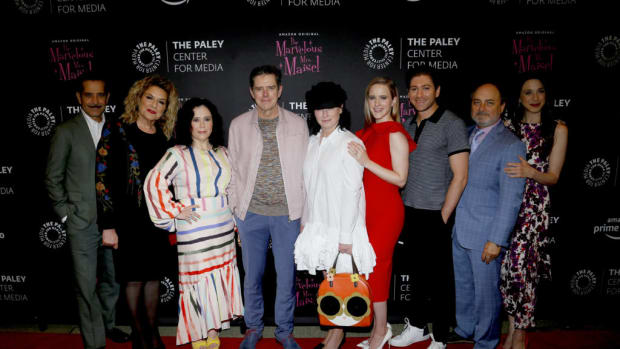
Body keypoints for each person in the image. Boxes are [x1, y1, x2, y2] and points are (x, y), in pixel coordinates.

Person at [145, 98, 244, 349]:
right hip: (195, 229)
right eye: (196, 119)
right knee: (197, 282)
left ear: (214, 122)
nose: (202, 124)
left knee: (218, 278)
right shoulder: (177, 153)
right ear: (187, 123)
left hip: (223, 229)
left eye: (207, 118)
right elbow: (153, 183)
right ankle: (197, 334)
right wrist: (175, 211)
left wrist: (237, 226)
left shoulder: (224, 152)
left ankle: (212, 330)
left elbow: (234, 190)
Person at [45, 71, 129, 349]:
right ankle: (95, 342)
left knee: (112, 279)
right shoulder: (65, 131)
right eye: (88, 95)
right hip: (81, 222)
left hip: (112, 222)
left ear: (107, 98)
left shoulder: (116, 129)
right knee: (85, 285)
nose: (94, 100)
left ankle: (107, 325)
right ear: (79, 97)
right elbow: (52, 177)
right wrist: (67, 213)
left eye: (100, 95)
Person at [227, 65, 309, 349]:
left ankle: (284, 331)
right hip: (251, 214)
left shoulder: (298, 124)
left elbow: (305, 174)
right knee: (253, 275)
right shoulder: (238, 125)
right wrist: (236, 211)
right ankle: (253, 328)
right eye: (259, 88)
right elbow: (234, 172)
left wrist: (304, 216)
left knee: (286, 278)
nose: (265, 93)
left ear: (280, 90)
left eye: (270, 87)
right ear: (252, 92)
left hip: (288, 215)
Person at [96, 75, 179, 349]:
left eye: (161, 102)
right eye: (150, 98)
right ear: (139, 98)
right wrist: (107, 224)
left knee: (153, 277)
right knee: (132, 280)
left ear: (167, 108)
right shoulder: (116, 129)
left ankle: (152, 334)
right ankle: (140, 338)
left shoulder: (166, 137)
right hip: (125, 220)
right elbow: (101, 178)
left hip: (155, 220)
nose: (154, 105)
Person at [390, 68, 469, 349]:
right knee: (417, 276)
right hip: (409, 212)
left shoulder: (452, 124)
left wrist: (444, 215)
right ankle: (418, 327)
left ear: (437, 91)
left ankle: (440, 335)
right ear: (408, 94)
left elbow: (460, 176)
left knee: (440, 280)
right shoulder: (408, 124)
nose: (419, 94)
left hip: (437, 213)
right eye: (413, 89)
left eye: (425, 88)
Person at [294, 82, 376, 349]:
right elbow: (308, 188)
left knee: (342, 285)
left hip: (343, 227)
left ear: (341, 109)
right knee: (329, 283)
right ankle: (332, 333)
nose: (325, 113)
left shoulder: (351, 142)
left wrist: (345, 237)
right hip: (318, 225)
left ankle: (337, 337)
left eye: (330, 107)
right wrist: (306, 223)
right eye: (319, 108)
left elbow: (353, 192)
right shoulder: (310, 142)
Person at [451, 83, 526, 349]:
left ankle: (486, 341)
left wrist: (497, 240)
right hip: (460, 229)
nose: (482, 108)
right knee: (464, 286)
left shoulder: (511, 145)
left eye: (489, 102)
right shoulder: (466, 135)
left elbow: (511, 197)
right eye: (477, 102)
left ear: (502, 106)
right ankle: (465, 329)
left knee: (486, 295)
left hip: (486, 234)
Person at [500, 75, 568, 349]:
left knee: (523, 269)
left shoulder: (557, 128)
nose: (534, 97)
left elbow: (553, 177)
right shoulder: (508, 125)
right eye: (528, 92)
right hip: (507, 202)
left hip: (534, 206)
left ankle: (520, 333)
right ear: (519, 97)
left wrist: (530, 171)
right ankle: (513, 327)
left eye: (540, 91)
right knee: (508, 271)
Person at [347, 77, 415, 349]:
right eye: (372, 98)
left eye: (383, 97)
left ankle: (381, 330)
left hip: (386, 211)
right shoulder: (363, 134)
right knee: (366, 269)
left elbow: (400, 179)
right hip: (364, 211)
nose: (377, 103)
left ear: (394, 101)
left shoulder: (395, 133)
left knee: (378, 269)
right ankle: (379, 327)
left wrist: (366, 161)